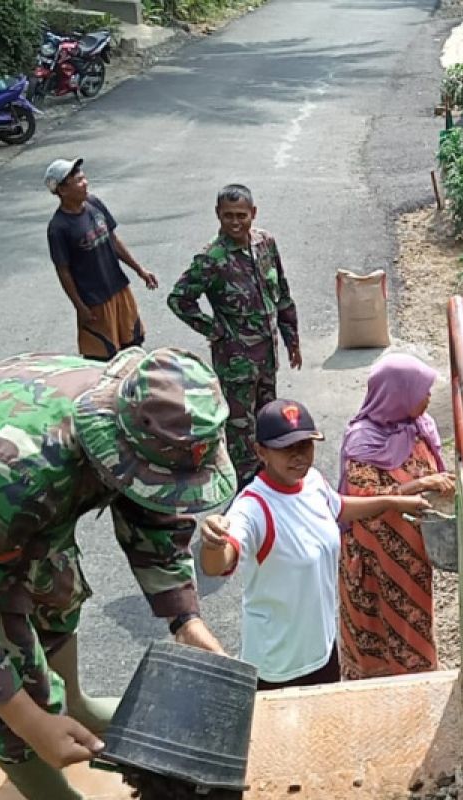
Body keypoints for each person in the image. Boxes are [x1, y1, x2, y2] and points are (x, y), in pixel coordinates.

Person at [0, 347, 235, 800]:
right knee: (10, 672)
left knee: (59, 592)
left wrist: (186, 621)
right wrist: (29, 720)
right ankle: (44, 779)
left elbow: (154, 510)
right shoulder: (8, 471)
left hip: (27, 493)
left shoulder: (146, 415)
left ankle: (72, 703)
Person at [198, 399, 429, 690]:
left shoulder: (312, 482)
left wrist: (394, 500)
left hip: (322, 648)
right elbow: (217, 563)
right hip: (279, 664)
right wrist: (213, 542)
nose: (298, 456)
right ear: (261, 452)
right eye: (286, 448)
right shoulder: (253, 508)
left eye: (305, 445)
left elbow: (338, 506)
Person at [168, 184, 302, 488]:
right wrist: (214, 331)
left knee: (269, 420)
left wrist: (292, 339)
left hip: (267, 356)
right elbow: (179, 299)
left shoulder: (265, 244)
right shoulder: (210, 259)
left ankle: (270, 483)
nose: (235, 222)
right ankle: (245, 491)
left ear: (253, 213)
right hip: (235, 363)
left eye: (241, 215)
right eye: (228, 216)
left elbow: (281, 293)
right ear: (218, 215)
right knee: (241, 432)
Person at [338, 354, 455, 680]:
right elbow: (361, 500)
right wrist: (420, 484)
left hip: (412, 555)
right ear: (398, 394)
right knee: (378, 628)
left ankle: (417, 680)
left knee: (412, 622)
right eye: (422, 391)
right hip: (377, 559)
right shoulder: (364, 440)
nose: (428, 397)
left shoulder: (419, 427)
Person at [45, 158, 159, 362]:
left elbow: (113, 240)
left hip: (118, 287)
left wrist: (140, 270)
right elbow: (63, 271)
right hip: (94, 300)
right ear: (62, 190)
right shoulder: (58, 228)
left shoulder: (93, 203)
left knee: (133, 345)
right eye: (78, 181)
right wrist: (79, 306)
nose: (85, 183)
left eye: (84, 178)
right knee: (102, 356)